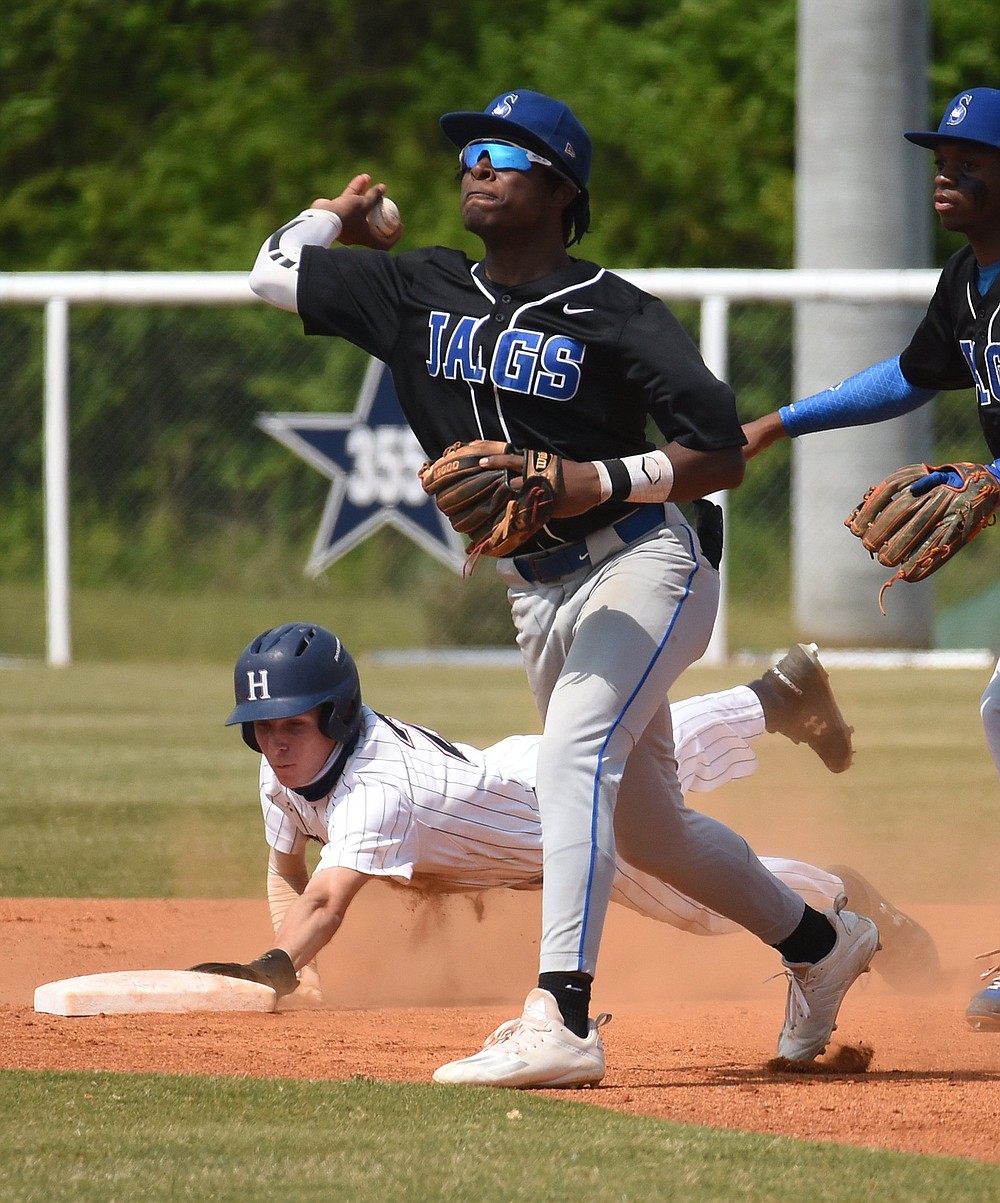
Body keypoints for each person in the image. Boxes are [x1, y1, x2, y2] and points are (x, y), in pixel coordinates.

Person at [247, 89, 878, 1086]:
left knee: (573, 759)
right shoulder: (417, 288)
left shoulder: (614, 312)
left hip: (648, 559)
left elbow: (718, 449)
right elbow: (272, 271)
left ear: (560, 188)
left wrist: (597, 479)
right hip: (535, 589)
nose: (477, 166)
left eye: (504, 153)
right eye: (469, 153)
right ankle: (819, 944)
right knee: (650, 830)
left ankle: (562, 1018)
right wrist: (338, 212)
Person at [194, 624, 936, 1085]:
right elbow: (289, 874)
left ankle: (833, 895)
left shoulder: (374, 788)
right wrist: (298, 971)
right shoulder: (282, 772)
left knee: (703, 900)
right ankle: (777, 695)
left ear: (336, 715)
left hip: (559, 826)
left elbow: (326, 900)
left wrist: (275, 968)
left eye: (292, 723)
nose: (275, 742)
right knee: (644, 750)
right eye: (261, 727)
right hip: (514, 776)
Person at [740, 86, 1000, 1030]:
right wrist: (783, 420)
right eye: (941, 156)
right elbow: (910, 374)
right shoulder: (968, 281)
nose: (946, 171)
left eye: (971, 159)